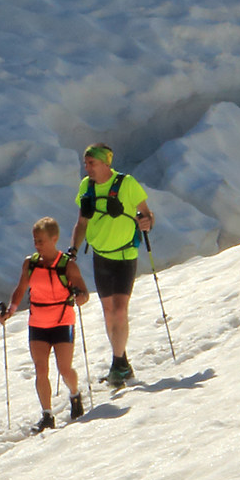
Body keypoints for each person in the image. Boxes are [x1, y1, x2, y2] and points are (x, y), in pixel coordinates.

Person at [68, 142, 155, 390]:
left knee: (118, 309)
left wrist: (146, 222)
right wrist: (73, 249)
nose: (87, 168)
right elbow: (82, 223)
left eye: (91, 163)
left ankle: (118, 363)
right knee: (108, 312)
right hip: (101, 255)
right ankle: (121, 362)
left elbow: (147, 214)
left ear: (106, 163)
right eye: (86, 164)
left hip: (125, 254)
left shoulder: (127, 184)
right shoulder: (86, 187)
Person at [0, 217, 91, 430]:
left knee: (64, 369)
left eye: (40, 240)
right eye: (35, 240)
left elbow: (84, 293)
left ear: (54, 238)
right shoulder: (30, 263)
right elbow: (21, 289)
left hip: (62, 321)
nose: (36, 245)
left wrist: (80, 297)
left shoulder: (68, 266)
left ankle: (75, 394)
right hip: (38, 323)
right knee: (41, 369)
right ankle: (47, 414)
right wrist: (11, 309)